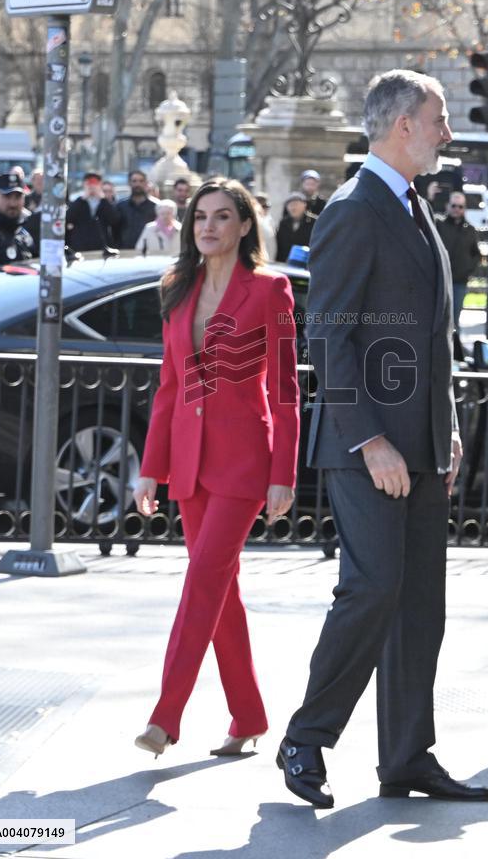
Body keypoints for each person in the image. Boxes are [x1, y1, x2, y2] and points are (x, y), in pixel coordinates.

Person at [278, 69, 488, 808]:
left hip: (423, 446)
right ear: (404, 124)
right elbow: (326, 338)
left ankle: (406, 758)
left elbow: (434, 342)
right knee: (371, 589)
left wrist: (447, 428)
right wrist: (370, 439)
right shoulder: (352, 208)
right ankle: (306, 737)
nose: (446, 132)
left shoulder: (414, 206)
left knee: (420, 605)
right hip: (364, 447)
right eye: (438, 119)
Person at [133, 176, 300, 759]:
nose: (208, 226)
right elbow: (169, 386)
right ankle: (249, 714)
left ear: (245, 225)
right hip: (188, 461)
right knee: (221, 592)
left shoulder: (271, 290)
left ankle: (165, 717)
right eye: (200, 216)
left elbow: (285, 391)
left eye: (222, 216)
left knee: (202, 582)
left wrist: (283, 474)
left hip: (244, 463)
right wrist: (150, 467)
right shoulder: (177, 285)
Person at [437, 191, 481, 329]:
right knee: (439, 317)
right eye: (454, 205)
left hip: (459, 281)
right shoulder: (438, 224)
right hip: (439, 280)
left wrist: (467, 270)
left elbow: (476, 254)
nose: (457, 209)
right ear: (447, 206)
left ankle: (455, 343)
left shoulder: (470, 229)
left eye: (460, 206)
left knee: (454, 319)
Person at [65, 172, 120, 253]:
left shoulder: (104, 202)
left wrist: (103, 199)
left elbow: (114, 220)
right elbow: (68, 218)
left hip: (101, 246)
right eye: (89, 184)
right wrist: (82, 199)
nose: (92, 186)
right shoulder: (78, 202)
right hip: (80, 246)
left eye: (95, 184)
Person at [116, 170, 157, 248]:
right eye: (134, 181)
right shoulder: (120, 206)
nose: (138, 184)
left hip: (149, 250)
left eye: (141, 181)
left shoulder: (155, 206)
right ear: (129, 183)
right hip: (125, 250)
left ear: (146, 183)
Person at [275, 192, 316, 262]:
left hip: (306, 262)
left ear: (304, 205)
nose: (293, 208)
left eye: (295, 204)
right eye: (290, 205)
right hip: (285, 262)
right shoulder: (283, 223)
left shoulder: (314, 222)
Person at [254, 193, 277, 261]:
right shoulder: (252, 222)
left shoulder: (270, 221)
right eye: (263, 207)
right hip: (257, 259)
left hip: (270, 260)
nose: (266, 209)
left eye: (267, 207)